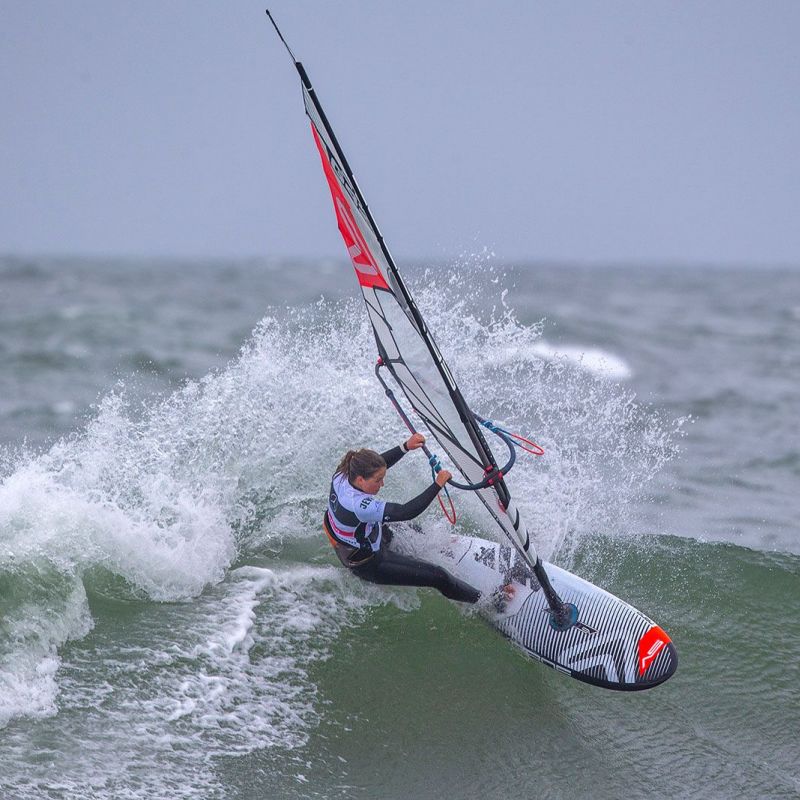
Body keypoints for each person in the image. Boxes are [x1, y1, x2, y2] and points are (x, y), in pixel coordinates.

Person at [324, 433, 514, 607]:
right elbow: (405, 511)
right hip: (367, 562)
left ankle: (438, 546)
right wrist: (437, 484)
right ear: (360, 481)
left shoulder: (344, 473)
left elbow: (374, 467)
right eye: (378, 480)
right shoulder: (359, 506)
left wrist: (405, 446)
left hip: (364, 535)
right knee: (439, 576)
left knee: (408, 529)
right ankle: (490, 601)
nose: (382, 484)